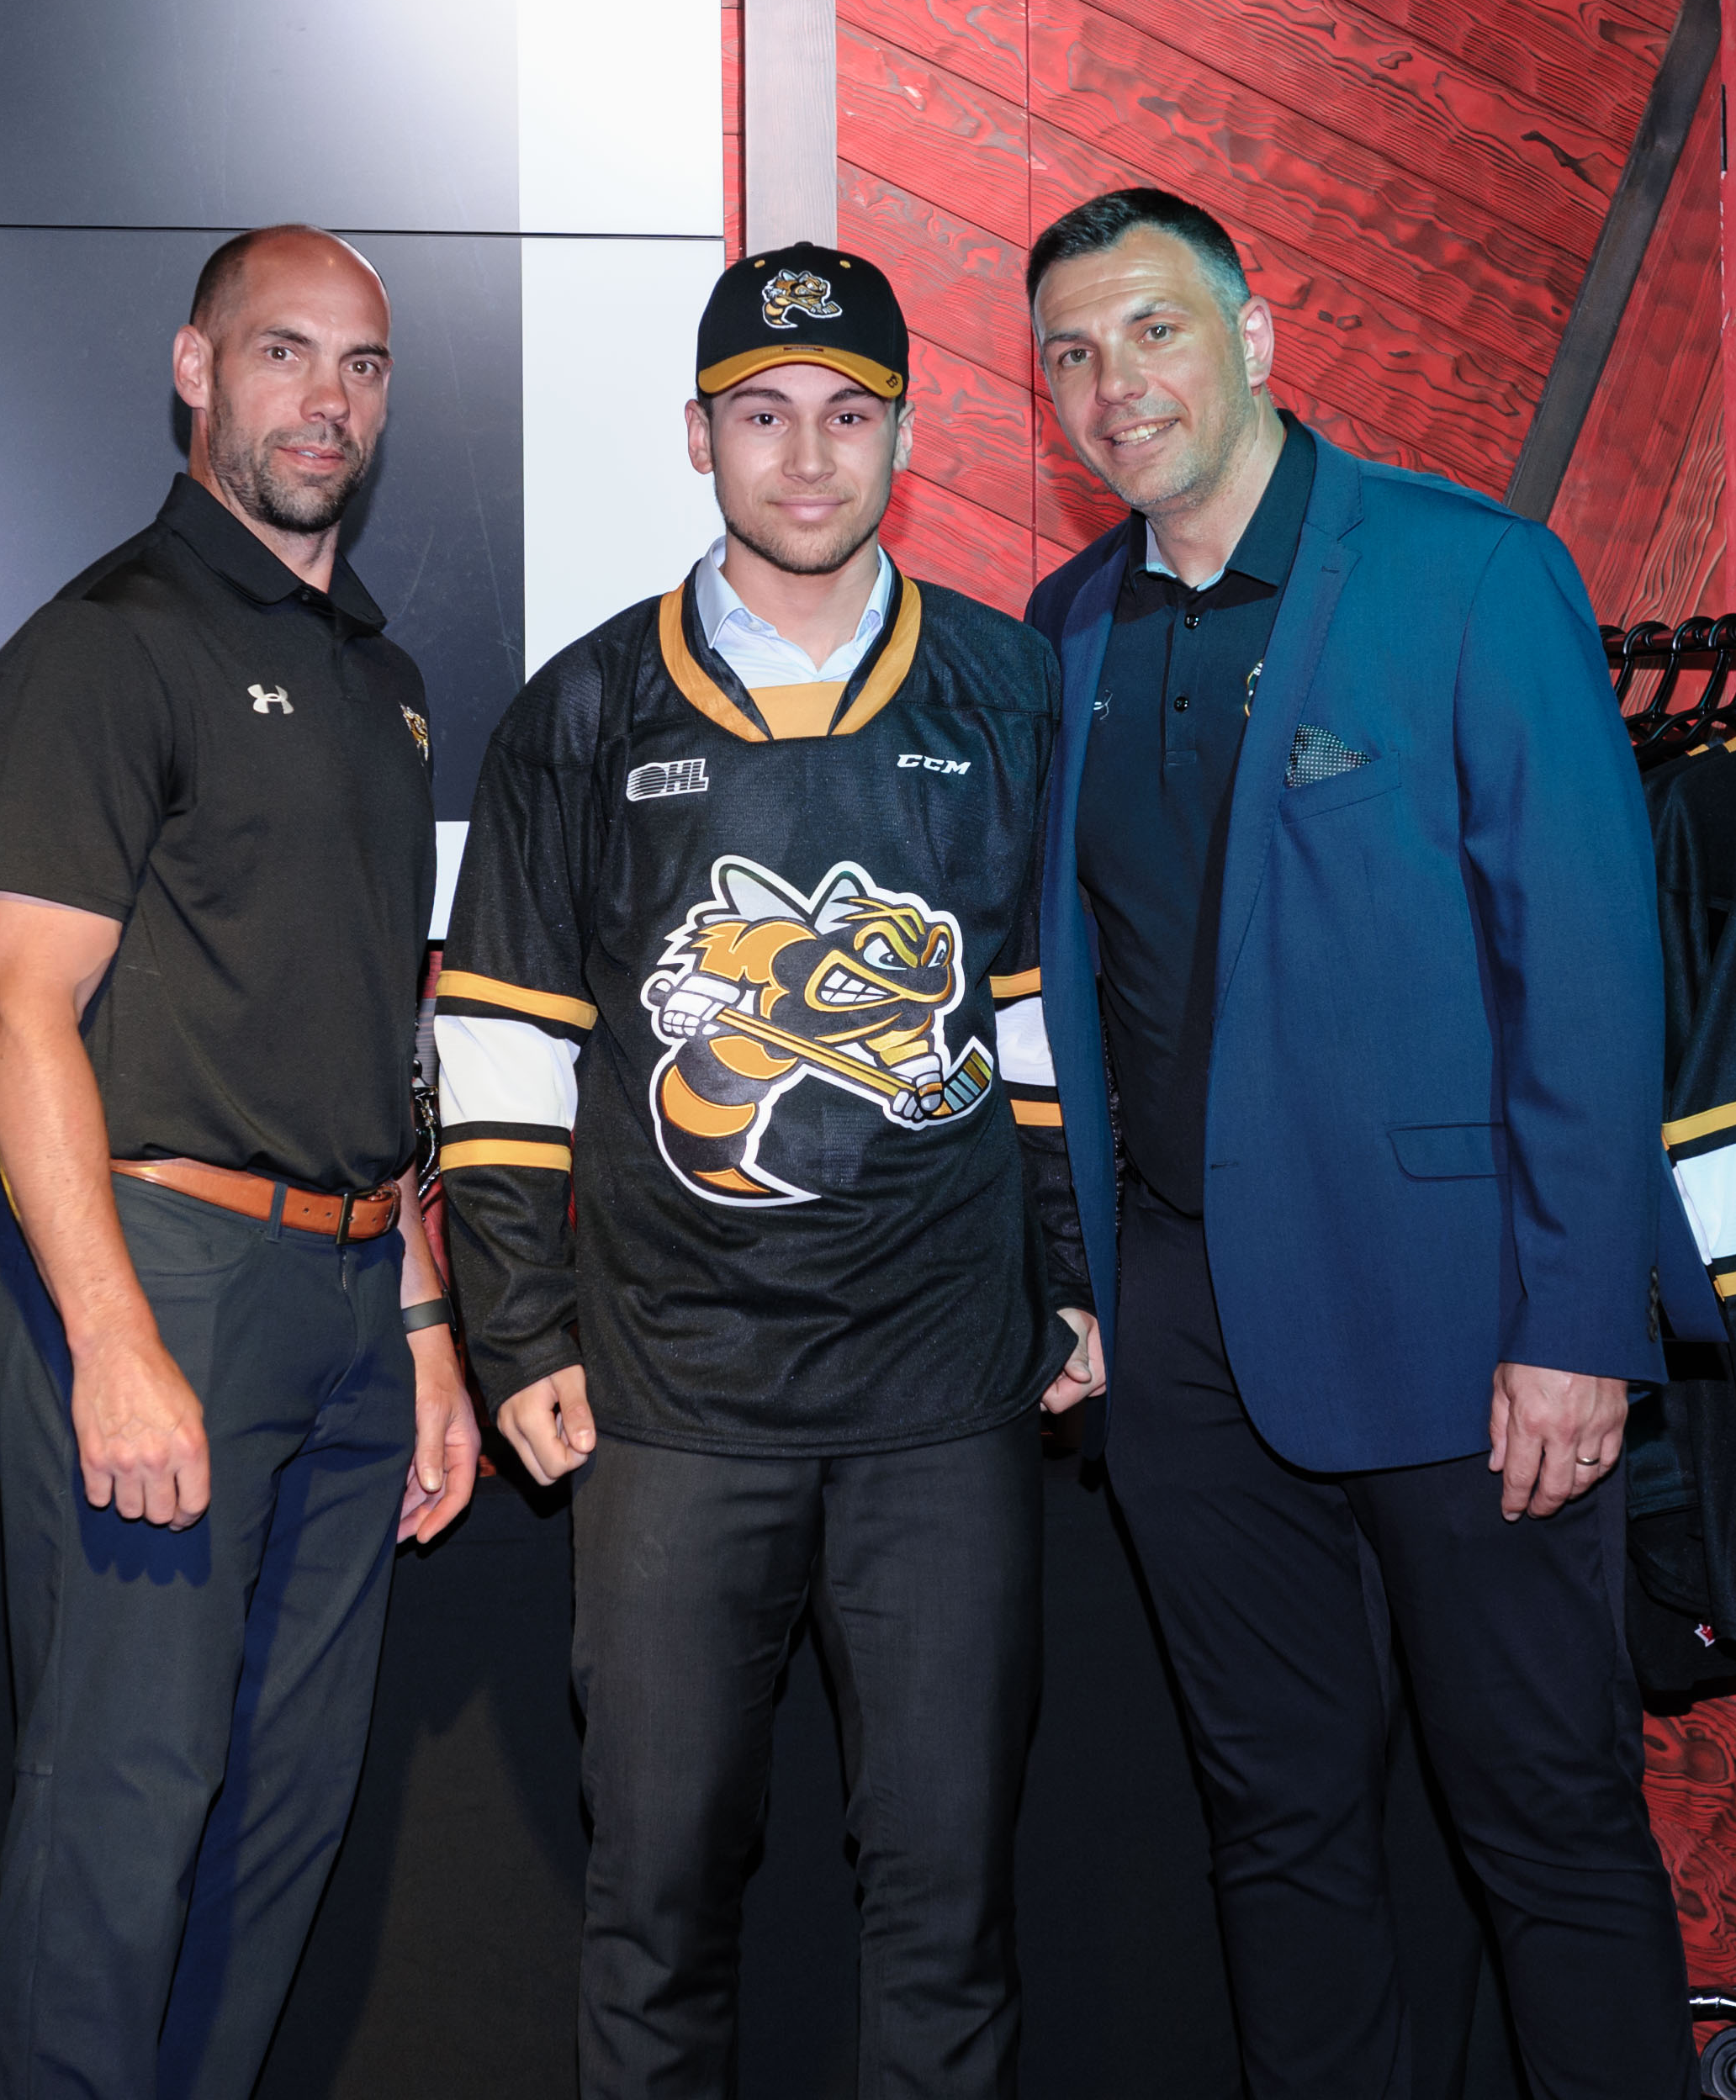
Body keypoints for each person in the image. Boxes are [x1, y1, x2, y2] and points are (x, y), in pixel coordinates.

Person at [1018, 188, 1686, 2100]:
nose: (1115, 384)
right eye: (1071, 354)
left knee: (1546, 1823)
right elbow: (1072, 994)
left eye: (1153, 329)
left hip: (1463, 1326)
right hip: (1179, 1337)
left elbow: (1586, 971)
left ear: (1255, 338)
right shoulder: (1069, 628)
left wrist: (1575, 1324)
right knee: (1279, 1833)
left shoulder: (1470, 574)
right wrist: (1083, 1286)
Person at [433, 244, 1103, 2098]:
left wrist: (1069, 1279)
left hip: (942, 1396)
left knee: (948, 1910)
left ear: (906, 434)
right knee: (656, 1911)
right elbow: (501, 1043)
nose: (806, 457)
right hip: (675, 1400)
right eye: (762, 415)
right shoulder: (582, 713)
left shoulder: (1007, 688)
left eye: (847, 414)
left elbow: (1042, 1026)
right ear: (697, 435)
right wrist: (517, 1330)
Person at [0, 225, 484, 2100]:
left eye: (361, 366)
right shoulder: (105, 647)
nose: (325, 400)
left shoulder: (383, 678)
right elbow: (13, 1013)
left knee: (279, 1817)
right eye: (283, 353)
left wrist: (423, 1323)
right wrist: (110, 1340)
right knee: (129, 1795)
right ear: (196, 370)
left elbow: (375, 1033)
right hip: (157, 1277)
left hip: (347, 1295)